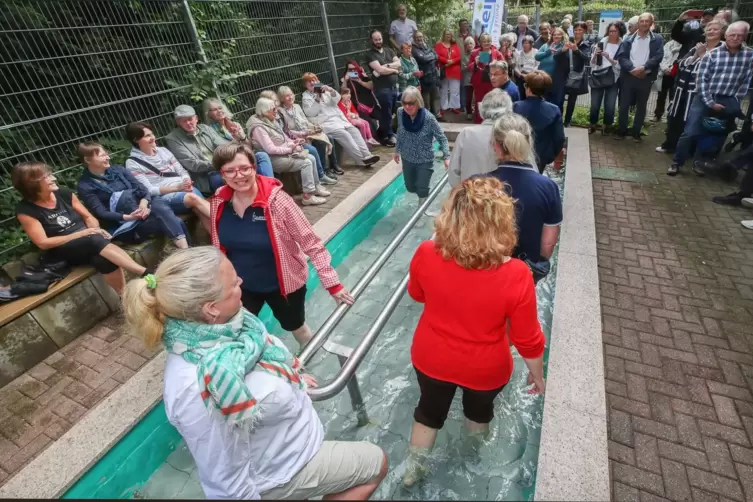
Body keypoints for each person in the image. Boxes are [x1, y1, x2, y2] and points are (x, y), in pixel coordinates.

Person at [122, 246, 386, 500]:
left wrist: (290, 378)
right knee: (376, 464)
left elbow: (258, 375)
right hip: (280, 474)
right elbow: (226, 483)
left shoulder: (232, 327)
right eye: (233, 285)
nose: (241, 281)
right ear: (210, 309)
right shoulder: (200, 386)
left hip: (288, 449)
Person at [401, 176, 546, 487]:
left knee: (427, 411)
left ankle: (413, 471)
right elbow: (527, 338)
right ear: (503, 222)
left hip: (431, 357)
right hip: (485, 368)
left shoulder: (427, 252)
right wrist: (538, 374)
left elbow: (417, 294)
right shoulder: (518, 274)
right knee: (479, 415)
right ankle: (471, 462)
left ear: (450, 215)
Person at [209, 142, 354, 344]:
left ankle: (309, 359)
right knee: (237, 331)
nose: (239, 176)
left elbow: (311, 243)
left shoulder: (278, 201)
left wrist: (333, 284)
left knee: (297, 327)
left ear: (254, 167)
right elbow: (218, 246)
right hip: (241, 285)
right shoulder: (219, 201)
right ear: (222, 175)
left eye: (244, 168)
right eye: (230, 171)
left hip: (284, 285)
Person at [13, 161, 149, 295]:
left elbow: (89, 218)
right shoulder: (26, 210)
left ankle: (124, 298)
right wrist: (83, 234)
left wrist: (96, 230)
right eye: (47, 176)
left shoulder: (64, 193)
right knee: (93, 240)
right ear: (32, 182)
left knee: (102, 259)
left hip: (91, 242)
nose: (53, 178)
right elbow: (43, 243)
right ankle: (145, 272)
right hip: (64, 251)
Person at [668, 21, 752, 175]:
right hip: (704, 98)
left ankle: (698, 163)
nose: (735, 38)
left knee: (710, 133)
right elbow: (701, 81)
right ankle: (677, 162)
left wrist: (736, 100)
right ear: (726, 35)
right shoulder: (712, 54)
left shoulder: (748, 55)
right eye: (732, 34)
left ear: (745, 36)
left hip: (726, 100)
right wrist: (710, 102)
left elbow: (746, 81)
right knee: (690, 132)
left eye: (740, 35)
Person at [485, 113, 562, 282]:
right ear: (528, 143)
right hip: (524, 271)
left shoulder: (477, 184)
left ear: (495, 145)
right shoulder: (548, 187)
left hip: (484, 270)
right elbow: (548, 242)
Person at [77, 142, 191, 250]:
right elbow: (101, 213)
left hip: (145, 207)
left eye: (106, 154)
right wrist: (129, 217)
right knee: (174, 221)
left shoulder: (118, 170)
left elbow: (143, 189)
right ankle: (187, 253)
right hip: (126, 222)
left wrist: (143, 204)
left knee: (160, 207)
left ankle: (186, 253)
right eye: (102, 156)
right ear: (88, 160)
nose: (108, 157)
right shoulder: (85, 185)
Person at [165, 105, 272, 195]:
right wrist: (220, 164)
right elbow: (193, 164)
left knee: (261, 156)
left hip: (227, 165)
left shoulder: (205, 128)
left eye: (190, 119)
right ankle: (258, 195)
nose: (188, 123)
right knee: (226, 177)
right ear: (178, 123)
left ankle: (270, 191)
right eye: (184, 121)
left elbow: (224, 146)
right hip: (208, 175)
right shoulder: (173, 138)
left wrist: (238, 145)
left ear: (196, 118)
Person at [124, 122, 211, 231]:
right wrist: (178, 188)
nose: (152, 138)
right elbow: (148, 190)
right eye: (147, 136)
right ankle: (224, 224)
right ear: (136, 139)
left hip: (185, 189)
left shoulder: (163, 151)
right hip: (163, 198)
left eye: (151, 134)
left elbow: (182, 171)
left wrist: (186, 181)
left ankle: (220, 242)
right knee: (193, 198)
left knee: (198, 208)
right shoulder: (132, 163)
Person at [659, 19, 725, 162]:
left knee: (691, 124)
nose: (711, 31)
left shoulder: (722, 50)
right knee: (675, 118)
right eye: (709, 28)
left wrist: (702, 57)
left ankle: (688, 153)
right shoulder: (698, 46)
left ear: (722, 32)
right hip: (682, 89)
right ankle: (671, 145)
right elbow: (681, 63)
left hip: (700, 94)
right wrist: (696, 55)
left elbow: (716, 72)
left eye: (716, 29)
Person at [248, 98, 329, 206]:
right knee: (306, 163)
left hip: (283, 153)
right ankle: (308, 196)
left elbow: (284, 138)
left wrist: (294, 142)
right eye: (273, 109)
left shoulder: (271, 121)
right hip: (272, 159)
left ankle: (315, 188)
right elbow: (270, 149)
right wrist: (290, 149)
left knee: (311, 158)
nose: (276, 111)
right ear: (264, 111)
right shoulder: (258, 128)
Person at [259, 89, 338, 187]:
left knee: (327, 138)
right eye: (273, 102)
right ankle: (319, 178)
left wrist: (313, 128)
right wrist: (297, 139)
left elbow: (286, 132)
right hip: (286, 147)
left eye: (275, 101)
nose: (275, 104)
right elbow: (285, 133)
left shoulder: (291, 108)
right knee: (312, 151)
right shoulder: (277, 114)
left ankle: (329, 170)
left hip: (295, 139)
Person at [301, 74, 380, 168]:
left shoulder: (325, 91)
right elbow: (310, 113)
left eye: (314, 80)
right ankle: (361, 160)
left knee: (354, 131)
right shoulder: (306, 98)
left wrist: (330, 90)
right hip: (326, 123)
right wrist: (317, 99)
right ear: (305, 85)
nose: (312, 83)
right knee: (345, 135)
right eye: (309, 81)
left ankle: (368, 155)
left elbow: (337, 99)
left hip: (339, 119)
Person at [393, 87, 450, 216]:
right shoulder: (400, 113)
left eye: (411, 103)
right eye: (404, 103)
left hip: (425, 159)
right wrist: (397, 150)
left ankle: (420, 212)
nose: (407, 107)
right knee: (410, 187)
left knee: (422, 187)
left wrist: (447, 156)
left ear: (418, 102)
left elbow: (442, 138)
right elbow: (400, 132)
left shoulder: (428, 118)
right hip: (407, 157)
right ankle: (421, 204)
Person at [276, 86, 344, 182]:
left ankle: (333, 166)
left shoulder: (297, 106)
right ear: (282, 98)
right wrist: (303, 133)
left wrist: (314, 127)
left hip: (307, 132)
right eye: (287, 96)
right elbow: (286, 131)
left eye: (291, 94)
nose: (290, 97)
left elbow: (305, 121)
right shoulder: (280, 111)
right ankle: (322, 173)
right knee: (318, 145)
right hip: (297, 137)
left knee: (329, 137)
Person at [614, 13, 664, 142]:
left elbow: (658, 56)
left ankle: (636, 132)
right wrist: (631, 69)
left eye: (647, 21)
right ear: (638, 23)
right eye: (642, 21)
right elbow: (622, 57)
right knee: (624, 105)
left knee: (641, 107)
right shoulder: (628, 39)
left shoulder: (657, 39)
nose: (644, 23)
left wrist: (644, 68)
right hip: (628, 77)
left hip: (645, 77)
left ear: (651, 23)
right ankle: (622, 131)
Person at [449, 89, 512, 186]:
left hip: (471, 196)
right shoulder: (514, 136)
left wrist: (461, 196)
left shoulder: (466, 134)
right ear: (508, 111)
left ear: (481, 109)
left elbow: (454, 172)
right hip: (502, 197)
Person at [514, 71, 566, 174]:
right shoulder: (554, 110)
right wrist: (549, 156)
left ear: (528, 88)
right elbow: (559, 138)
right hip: (541, 156)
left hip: (517, 153)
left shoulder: (516, 107)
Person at [365, 30, 401, 146]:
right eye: (375, 39)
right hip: (382, 89)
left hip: (394, 87)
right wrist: (394, 70)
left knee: (393, 110)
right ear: (371, 40)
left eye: (379, 39)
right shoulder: (370, 54)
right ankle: (389, 135)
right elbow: (379, 70)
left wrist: (387, 66)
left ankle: (384, 133)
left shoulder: (389, 50)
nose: (378, 41)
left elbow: (399, 63)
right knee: (386, 112)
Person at [589, 22, 623, 135]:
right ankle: (593, 124)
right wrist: (595, 55)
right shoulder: (602, 42)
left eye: (615, 31)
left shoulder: (622, 45)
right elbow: (592, 64)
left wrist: (609, 58)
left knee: (610, 104)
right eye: (610, 31)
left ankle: (606, 126)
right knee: (594, 104)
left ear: (619, 32)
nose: (612, 33)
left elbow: (620, 65)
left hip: (613, 77)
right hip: (598, 76)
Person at [341, 59, 381, 138]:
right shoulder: (345, 79)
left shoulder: (362, 75)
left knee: (382, 117)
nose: (352, 71)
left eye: (354, 69)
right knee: (369, 122)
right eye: (350, 69)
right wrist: (345, 80)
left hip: (370, 104)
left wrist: (360, 81)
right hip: (358, 106)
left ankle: (384, 137)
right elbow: (343, 91)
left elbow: (371, 86)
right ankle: (372, 140)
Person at [468, 33, 503, 123]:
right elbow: (469, 67)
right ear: (480, 43)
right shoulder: (475, 53)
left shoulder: (496, 52)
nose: (487, 43)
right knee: (479, 102)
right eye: (484, 42)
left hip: (493, 81)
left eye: (488, 41)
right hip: (480, 82)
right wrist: (475, 62)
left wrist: (496, 64)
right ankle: (479, 121)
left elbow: (504, 64)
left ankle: (492, 120)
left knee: (492, 101)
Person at [562, 22, 590, 127]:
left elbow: (586, 58)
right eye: (576, 30)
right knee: (560, 98)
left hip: (576, 76)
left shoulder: (586, 44)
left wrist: (576, 50)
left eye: (580, 30)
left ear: (584, 32)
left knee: (572, 100)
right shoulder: (567, 41)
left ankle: (567, 121)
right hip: (564, 74)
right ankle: (558, 119)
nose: (577, 32)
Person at [651, 38, 682, 123]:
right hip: (665, 74)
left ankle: (671, 116)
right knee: (661, 96)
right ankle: (658, 114)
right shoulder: (668, 44)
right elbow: (662, 57)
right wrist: (665, 68)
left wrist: (672, 69)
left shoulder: (684, 45)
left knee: (673, 97)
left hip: (676, 74)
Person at [535, 27, 567, 110]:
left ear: (562, 36)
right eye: (554, 34)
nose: (556, 36)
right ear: (552, 36)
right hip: (544, 78)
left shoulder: (564, 47)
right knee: (543, 101)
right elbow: (537, 57)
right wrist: (548, 51)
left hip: (557, 79)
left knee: (557, 102)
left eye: (559, 34)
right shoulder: (546, 46)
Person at [412, 32, 441, 117]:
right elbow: (423, 59)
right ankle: (427, 117)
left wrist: (429, 57)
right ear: (414, 38)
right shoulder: (414, 49)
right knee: (426, 99)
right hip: (424, 78)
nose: (419, 38)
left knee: (436, 96)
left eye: (421, 36)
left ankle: (437, 114)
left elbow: (436, 56)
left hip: (434, 75)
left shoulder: (427, 46)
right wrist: (431, 56)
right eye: (417, 37)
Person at [435, 29, 463, 117]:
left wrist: (452, 61)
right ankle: (444, 107)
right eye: (447, 34)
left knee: (455, 90)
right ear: (443, 35)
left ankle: (454, 106)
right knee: (443, 90)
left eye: (450, 34)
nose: (448, 36)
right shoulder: (438, 45)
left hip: (455, 70)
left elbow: (459, 57)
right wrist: (446, 60)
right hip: (444, 70)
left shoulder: (455, 45)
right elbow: (436, 56)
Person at [461, 36, 476, 120]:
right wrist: (472, 65)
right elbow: (462, 68)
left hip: (478, 78)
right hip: (468, 79)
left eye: (471, 43)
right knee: (469, 97)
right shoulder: (464, 56)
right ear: (465, 46)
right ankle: (469, 112)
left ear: (474, 44)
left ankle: (478, 112)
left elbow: (484, 65)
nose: (469, 45)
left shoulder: (479, 53)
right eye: (467, 44)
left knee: (478, 96)